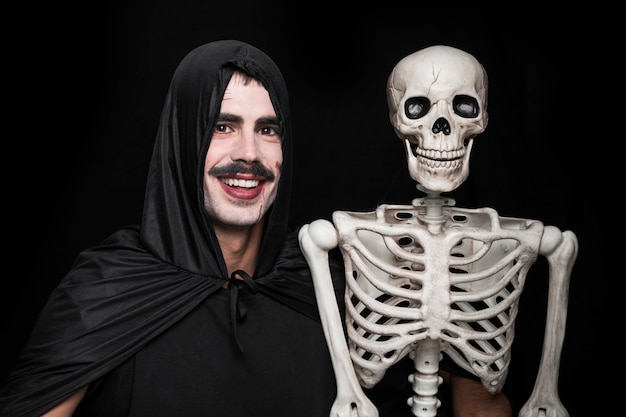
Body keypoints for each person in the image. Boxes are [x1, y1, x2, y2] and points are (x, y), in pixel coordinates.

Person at [0, 40, 511, 417]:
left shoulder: (331, 285)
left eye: (267, 130)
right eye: (222, 125)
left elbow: (470, 390)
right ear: (181, 140)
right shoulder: (106, 290)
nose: (248, 154)